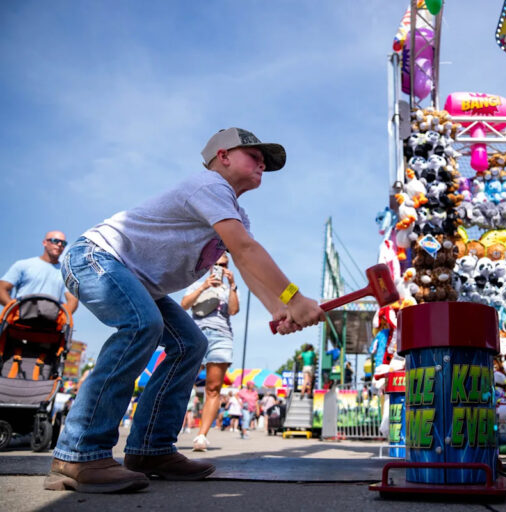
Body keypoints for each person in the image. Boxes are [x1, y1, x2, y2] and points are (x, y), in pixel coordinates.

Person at [45, 127, 325, 494]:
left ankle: (150, 450)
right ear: (222, 156)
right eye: (254, 156)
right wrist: (294, 297)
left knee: (191, 344)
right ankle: (78, 453)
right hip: (96, 258)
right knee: (141, 325)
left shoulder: (236, 214)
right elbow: (245, 250)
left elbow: (246, 265)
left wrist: (278, 309)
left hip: (137, 280)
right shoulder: (209, 185)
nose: (262, 165)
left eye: (264, 162)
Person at [180, 253, 240, 452]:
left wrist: (233, 285)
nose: (220, 268)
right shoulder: (197, 284)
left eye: (224, 265)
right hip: (196, 334)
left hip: (221, 337)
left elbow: (234, 310)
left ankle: (201, 436)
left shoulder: (229, 289)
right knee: (182, 383)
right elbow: (184, 305)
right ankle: (167, 432)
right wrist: (204, 286)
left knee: (213, 388)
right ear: (209, 265)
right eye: (217, 264)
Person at [0, 230, 78, 313]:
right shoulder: (23, 265)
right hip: (21, 319)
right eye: (55, 241)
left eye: (63, 243)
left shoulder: (66, 273)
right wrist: (15, 310)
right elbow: (1, 288)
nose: (59, 244)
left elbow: (73, 299)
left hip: (50, 320)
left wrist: (62, 316)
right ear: (45, 243)